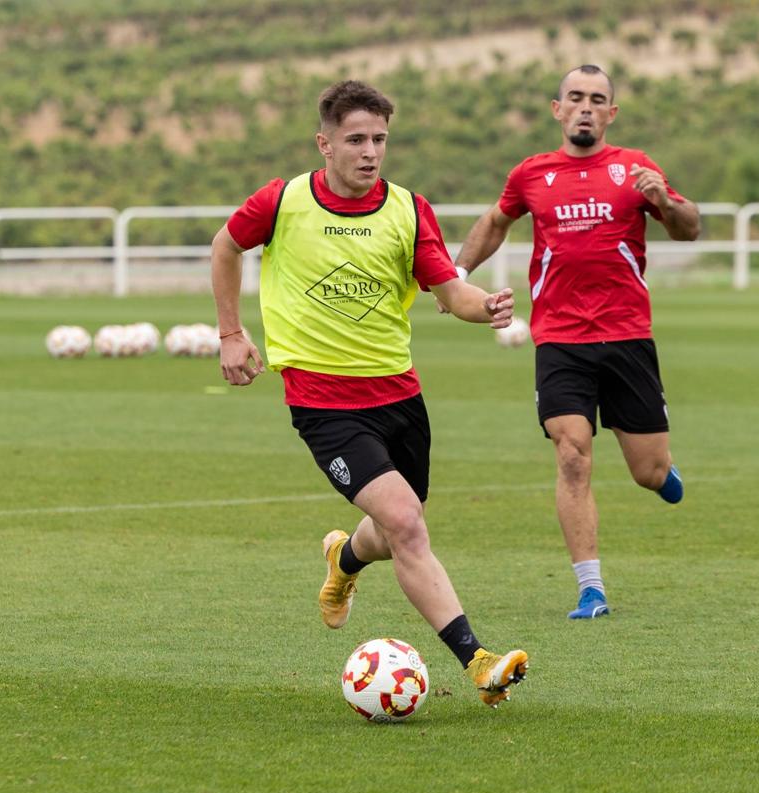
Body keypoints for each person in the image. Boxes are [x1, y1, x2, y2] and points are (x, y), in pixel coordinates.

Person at [212, 80, 529, 708]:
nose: (370, 151)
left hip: (399, 396)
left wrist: (482, 306)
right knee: (407, 523)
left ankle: (343, 560)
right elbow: (226, 246)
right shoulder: (283, 201)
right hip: (323, 403)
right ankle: (479, 663)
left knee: (394, 531)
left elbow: (448, 290)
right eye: (356, 139)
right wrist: (230, 332)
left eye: (379, 139)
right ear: (324, 143)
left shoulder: (409, 209)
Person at [455, 65, 700, 619]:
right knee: (572, 455)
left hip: (626, 336)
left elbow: (689, 227)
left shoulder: (637, 168)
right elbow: (497, 221)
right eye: (575, 98)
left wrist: (665, 200)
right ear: (557, 109)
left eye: (597, 99)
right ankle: (591, 588)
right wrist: (457, 270)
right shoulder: (532, 174)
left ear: (611, 113)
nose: (585, 107)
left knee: (648, 471)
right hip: (560, 340)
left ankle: (660, 473)